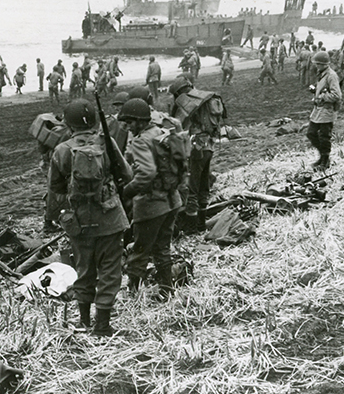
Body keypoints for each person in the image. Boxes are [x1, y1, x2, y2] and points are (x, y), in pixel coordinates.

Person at [48, 99, 132, 336]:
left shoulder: (62, 150)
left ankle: (84, 320)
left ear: (69, 124)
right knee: (110, 271)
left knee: (84, 269)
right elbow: (127, 173)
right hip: (110, 218)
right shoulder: (107, 143)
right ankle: (102, 325)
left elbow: (55, 190)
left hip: (80, 222)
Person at [118, 99, 183, 299]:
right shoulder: (162, 133)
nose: (127, 128)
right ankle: (166, 290)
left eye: (130, 123)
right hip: (172, 199)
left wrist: (127, 191)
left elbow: (146, 174)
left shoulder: (140, 141)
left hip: (152, 204)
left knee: (139, 250)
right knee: (162, 247)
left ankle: (132, 294)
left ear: (139, 121)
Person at [168, 78, 224, 231]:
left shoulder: (188, 101)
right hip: (209, 146)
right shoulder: (208, 96)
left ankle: (192, 226)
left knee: (193, 187)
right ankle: (200, 224)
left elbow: (178, 123)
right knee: (204, 184)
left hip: (197, 147)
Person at [306, 51, 342, 170]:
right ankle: (323, 157)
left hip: (327, 110)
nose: (316, 66)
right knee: (311, 133)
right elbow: (324, 88)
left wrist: (321, 97)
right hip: (319, 109)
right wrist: (316, 90)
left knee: (324, 136)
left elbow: (336, 95)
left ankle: (325, 161)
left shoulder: (331, 75)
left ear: (324, 64)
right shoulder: (322, 74)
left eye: (318, 64)